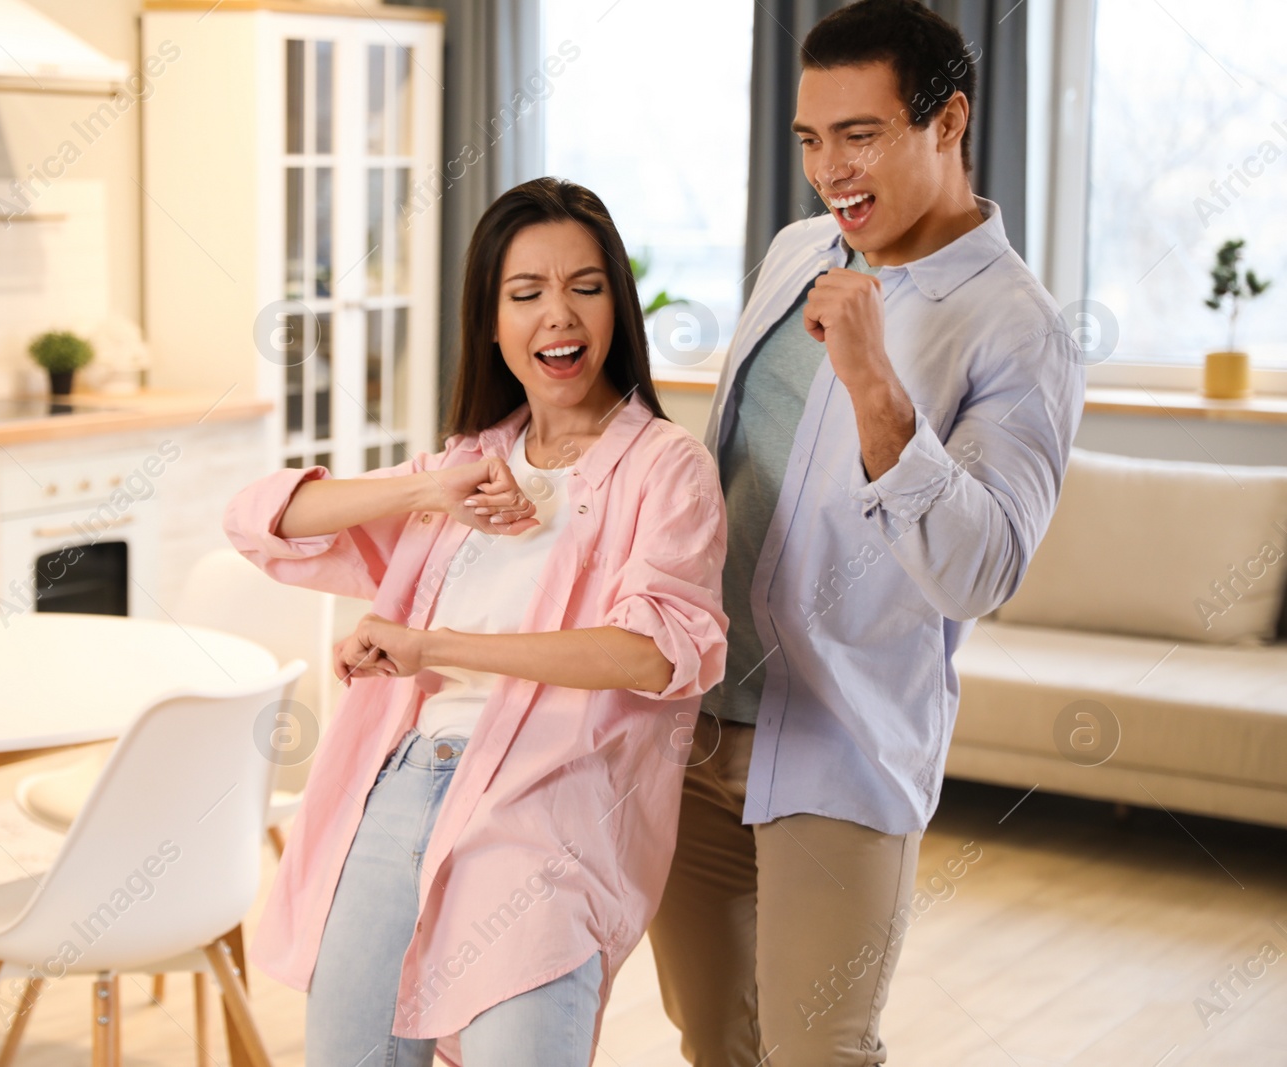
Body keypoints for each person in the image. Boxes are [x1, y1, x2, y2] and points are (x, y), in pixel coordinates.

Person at [648, 2, 1086, 1064]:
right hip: (695, 731)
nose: (829, 168)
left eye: (860, 133)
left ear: (948, 123)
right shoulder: (798, 249)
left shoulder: (1019, 329)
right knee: (712, 1042)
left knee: (819, 1050)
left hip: (841, 745)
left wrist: (876, 385)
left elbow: (981, 571)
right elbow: (733, 470)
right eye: (809, 138)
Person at [224, 177, 728, 1067]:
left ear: (618, 300)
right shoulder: (468, 467)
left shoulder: (666, 469)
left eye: (585, 286)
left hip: (548, 811)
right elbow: (260, 520)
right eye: (525, 294)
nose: (557, 317)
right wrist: (427, 486)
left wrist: (431, 648)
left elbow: (651, 654)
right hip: (402, 787)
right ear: (492, 324)